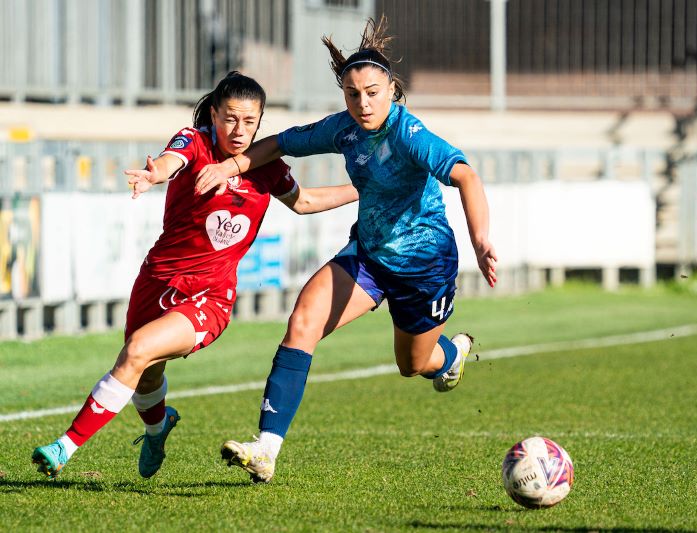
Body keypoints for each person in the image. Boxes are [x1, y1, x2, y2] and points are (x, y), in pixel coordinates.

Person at [195, 17, 498, 484]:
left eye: (373, 92)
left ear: (392, 90)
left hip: (424, 268)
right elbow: (280, 143)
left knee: (412, 364)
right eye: (353, 94)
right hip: (369, 257)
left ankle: (451, 357)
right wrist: (230, 166)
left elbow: (465, 176)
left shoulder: (408, 134)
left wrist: (480, 239)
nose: (363, 103)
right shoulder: (344, 130)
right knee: (303, 320)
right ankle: (266, 449)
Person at [31, 72, 359, 480]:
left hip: (209, 296)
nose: (239, 131)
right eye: (230, 118)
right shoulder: (195, 140)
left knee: (136, 350)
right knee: (146, 373)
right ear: (214, 114)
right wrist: (155, 174)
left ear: (260, 122)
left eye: (249, 122)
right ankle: (157, 430)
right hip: (156, 280)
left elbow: (305, 201)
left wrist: (364, 187)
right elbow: (173, 160)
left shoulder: (268, 166)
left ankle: (64, 447)